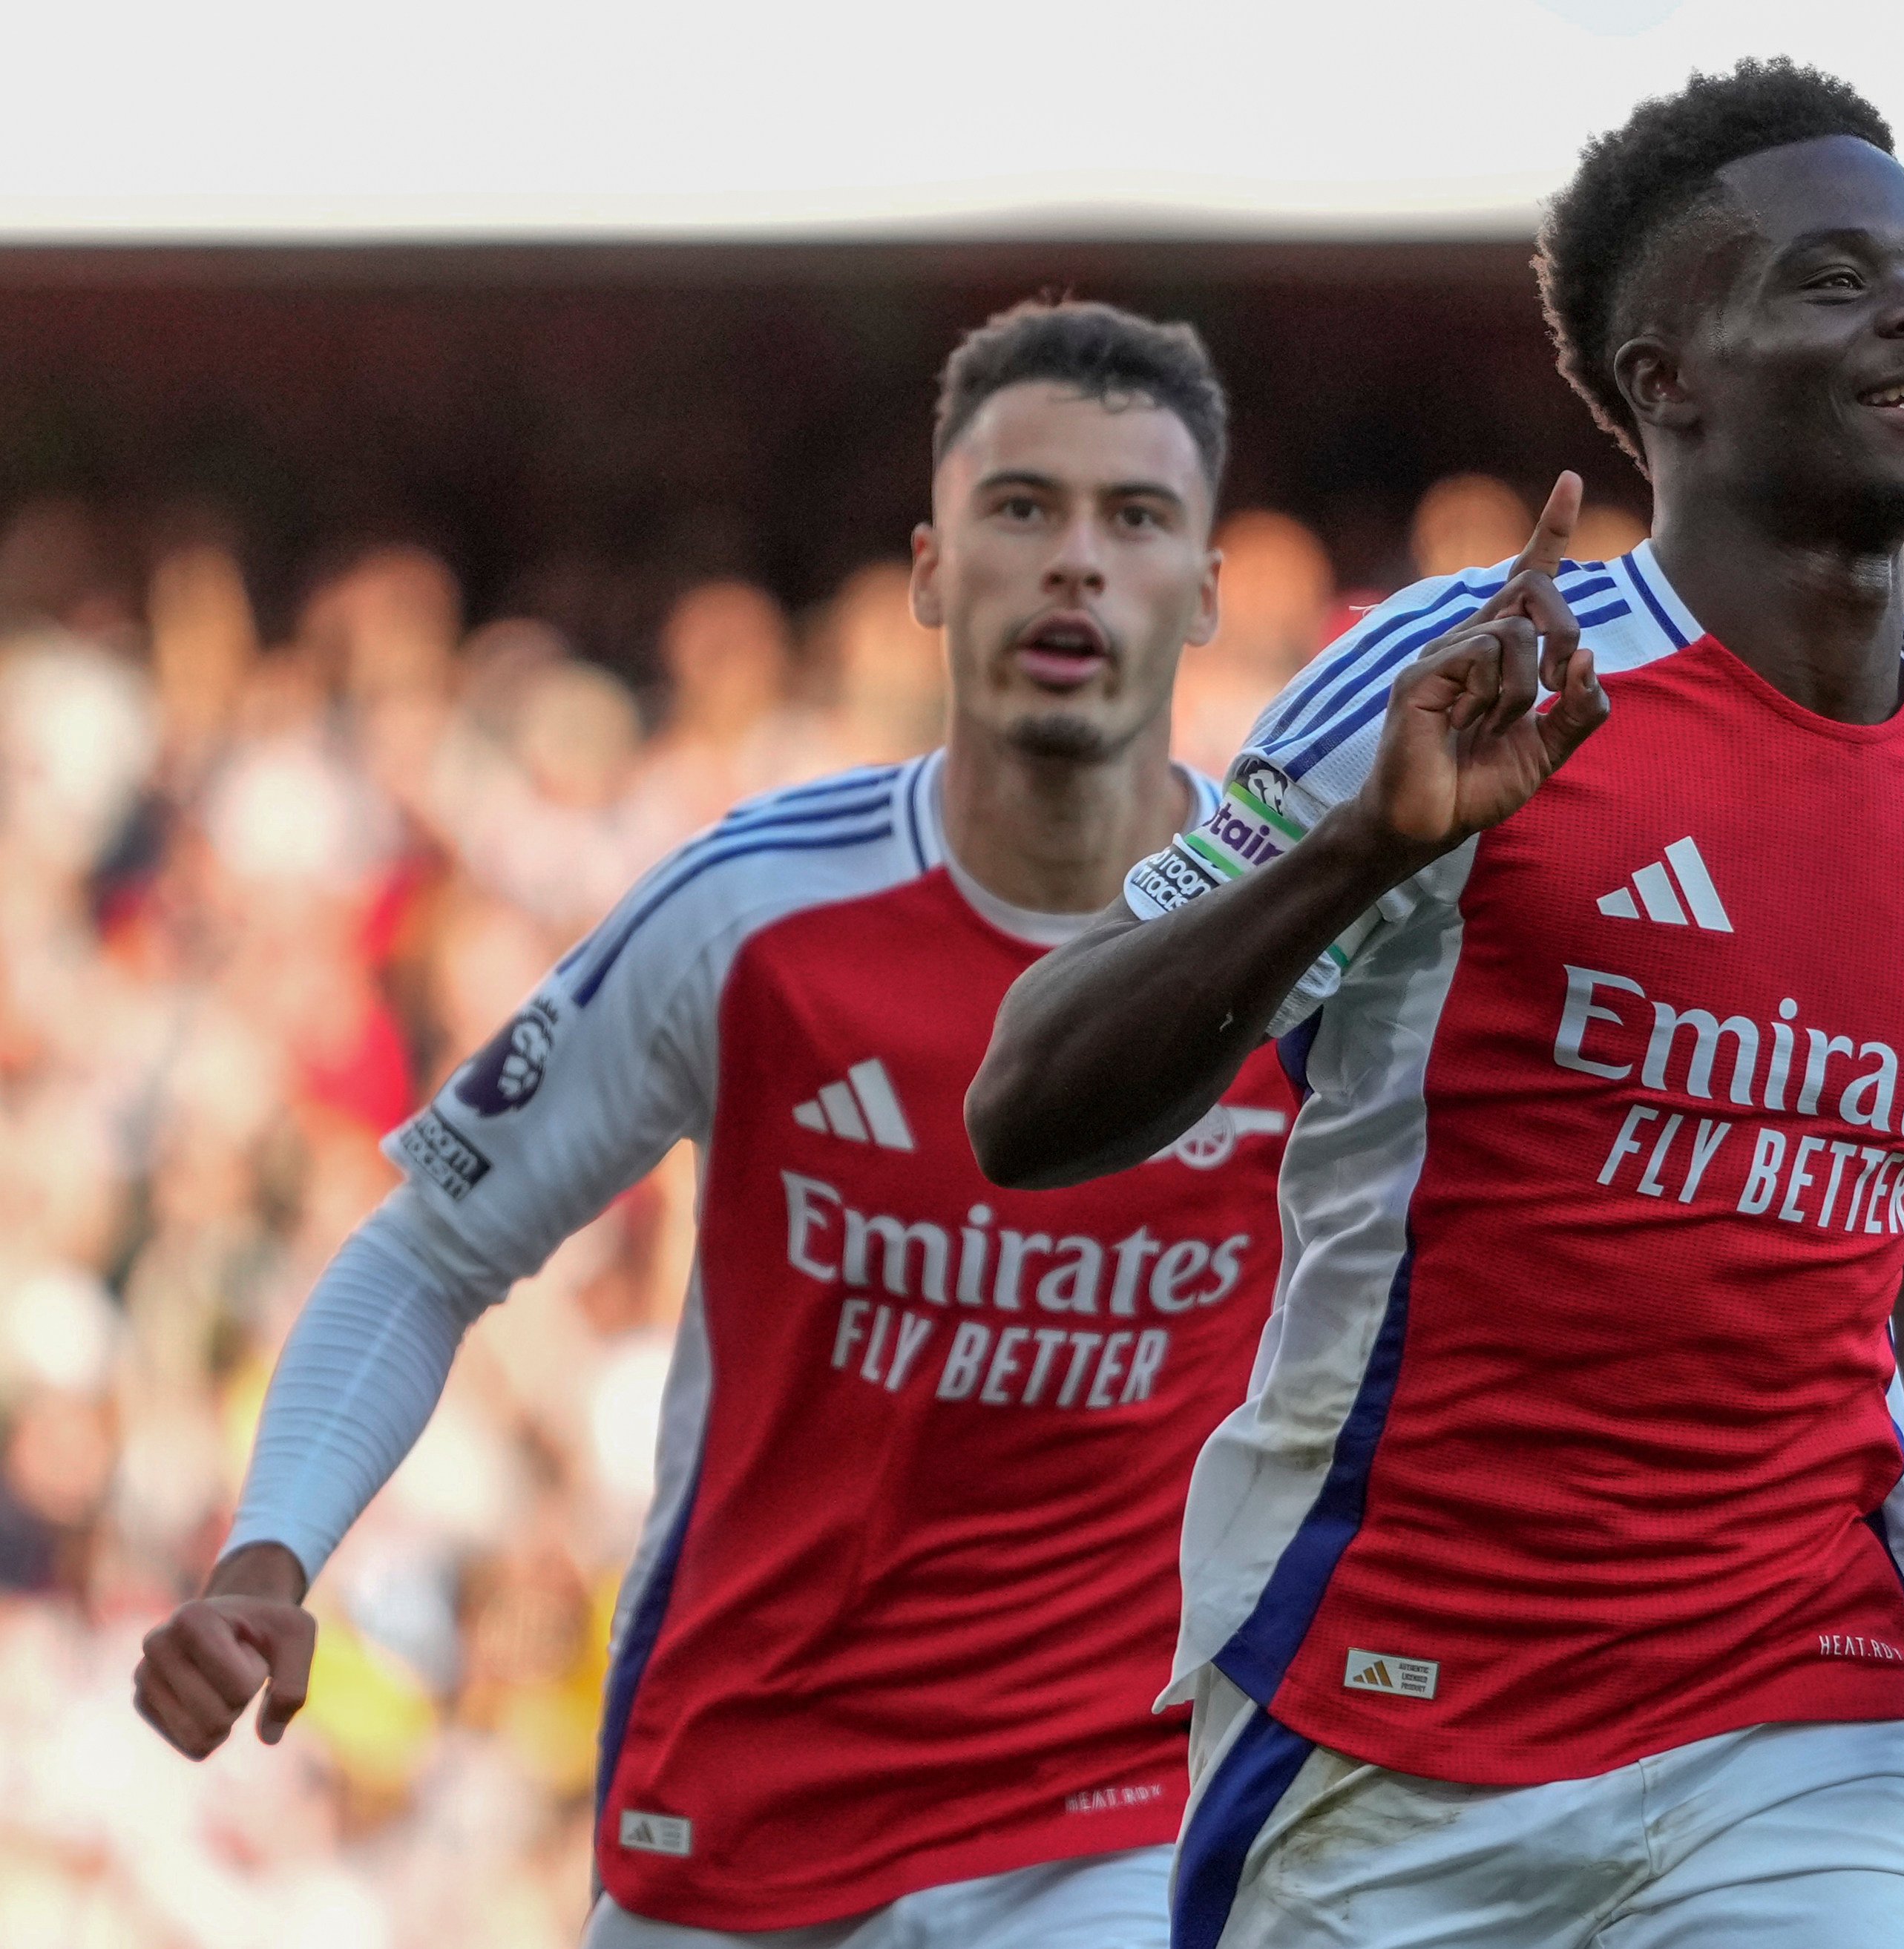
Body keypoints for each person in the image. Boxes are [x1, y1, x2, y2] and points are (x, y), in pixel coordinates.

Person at [967, 62, 1904, 1948]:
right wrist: (1355, 855)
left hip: (1798, 1712)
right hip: (1391, 1710)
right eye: (1833, 280)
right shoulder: (1477, 673)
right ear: (1666, 377)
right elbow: (1030, 1098)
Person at [131, 299, 1300, 1949]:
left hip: (1106, 1824)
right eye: (1020, 509)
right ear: (924, 571)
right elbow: (429, 1254)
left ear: (1203, 596)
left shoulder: (1311, 938)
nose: (1076, 564)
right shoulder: (750, 908)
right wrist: (269, 1556)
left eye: (1136, 518)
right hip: (737, 1816)